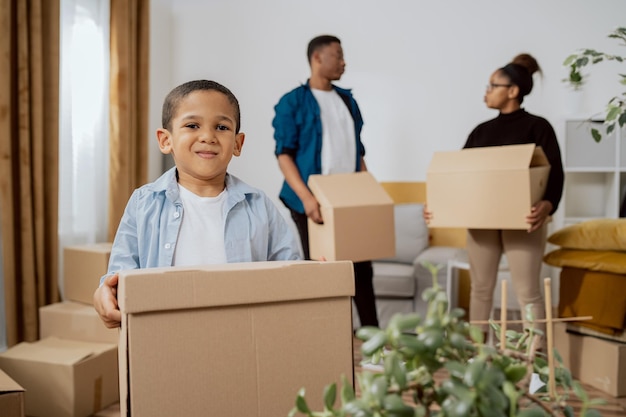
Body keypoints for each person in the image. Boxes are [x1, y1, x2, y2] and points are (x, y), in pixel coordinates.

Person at [94, 79, 301, 328]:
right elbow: (117, 276)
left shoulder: (258, 205)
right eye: (192, 125)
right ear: (165, 140)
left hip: (242, 333)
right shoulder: (143, 203)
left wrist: (311, 277)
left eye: (222, 127)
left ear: (237, 143)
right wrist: (104, 294)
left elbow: (290, 273)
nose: (208, 136)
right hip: (164, 334)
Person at [426, 53, 564, 342]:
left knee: (528, 291)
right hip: (482, 223)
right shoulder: (481, 132)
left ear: (512, 91)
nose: (486, 91)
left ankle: (536, 365)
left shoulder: (538, 127)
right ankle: (478, 357)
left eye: (492, 85)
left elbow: (555, 174)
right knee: (480, 289)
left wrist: (547, 205)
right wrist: (438, 205)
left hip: (525, 222)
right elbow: (457, 177)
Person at [272, 35, 379, 328]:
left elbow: (358, 153)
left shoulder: (348, 101)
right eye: (338, 55)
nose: (344, 62)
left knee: (362, 271)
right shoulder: (292, 102)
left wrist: (370, 192)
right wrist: (307, 199)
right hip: (311, 201)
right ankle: (324, 341)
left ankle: (376, 346)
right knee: (322, 273)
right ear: (317, 58)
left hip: (348, 199)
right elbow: (284, 155)